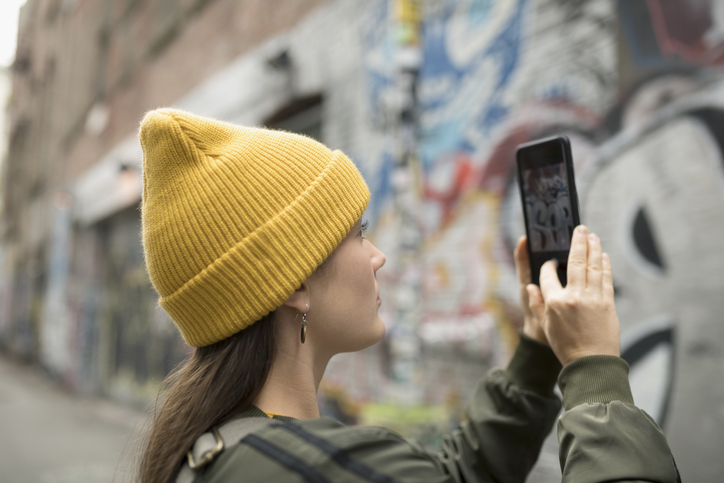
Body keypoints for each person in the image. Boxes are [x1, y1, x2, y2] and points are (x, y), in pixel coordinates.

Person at [136, 108, 680, 483]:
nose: (378, 256)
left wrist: (539, 350)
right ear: (294, 283)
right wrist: (593, 368)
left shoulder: (232, 451)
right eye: (358, 234)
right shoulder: (312, 467)